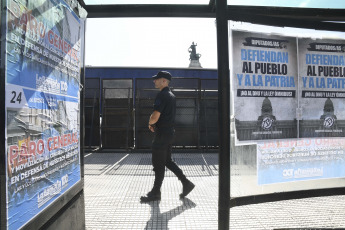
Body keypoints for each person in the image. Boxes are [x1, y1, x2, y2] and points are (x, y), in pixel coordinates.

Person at [140, 71, 195, 203]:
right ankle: (186, 183)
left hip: (162, 135)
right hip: (169, 133)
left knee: (158, 164)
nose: (154, 81)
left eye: (157, 79)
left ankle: (155, 193)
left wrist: (150, 123)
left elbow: (155, 116)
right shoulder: (171, 95)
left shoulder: (162, 95)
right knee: (167, 161)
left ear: (164, 81)